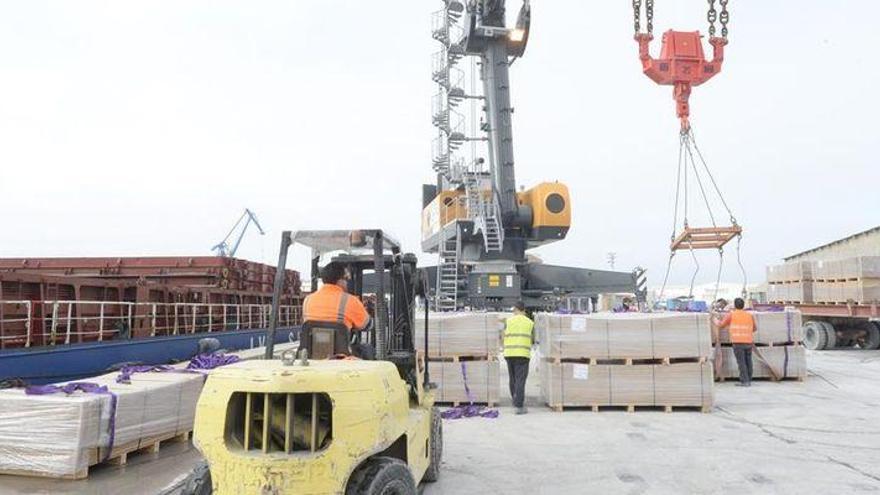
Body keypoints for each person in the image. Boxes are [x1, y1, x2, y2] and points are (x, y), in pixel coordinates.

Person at [303, 261, 371, 332]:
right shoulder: (350, 301)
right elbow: (367, 325)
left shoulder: (308, 300)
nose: (347, 282)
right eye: (346, 279)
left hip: (311, 343)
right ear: (340, 281)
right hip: (340, 343)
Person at [717, 297, 757, 387]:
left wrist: (714, 320)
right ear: (743, 305)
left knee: (741, 362)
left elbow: (721, 325)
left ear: (735, 305)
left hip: (738, 342)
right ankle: (749, 379)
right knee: (748, 361)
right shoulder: (749, 315)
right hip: (748, 341)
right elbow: (754, 329)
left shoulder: (731, 315)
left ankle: (745, 381)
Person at [503, 301, 534, 415]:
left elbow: (503, 335)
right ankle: (519, 406)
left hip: (509, 353)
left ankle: (515, 399)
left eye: (514, 310)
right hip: (522, 353)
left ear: (517, 309)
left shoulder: (509, 321)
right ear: (524, 310)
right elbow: (533, 338)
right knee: (520, 379)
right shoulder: (529, 322)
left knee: (513, 378)